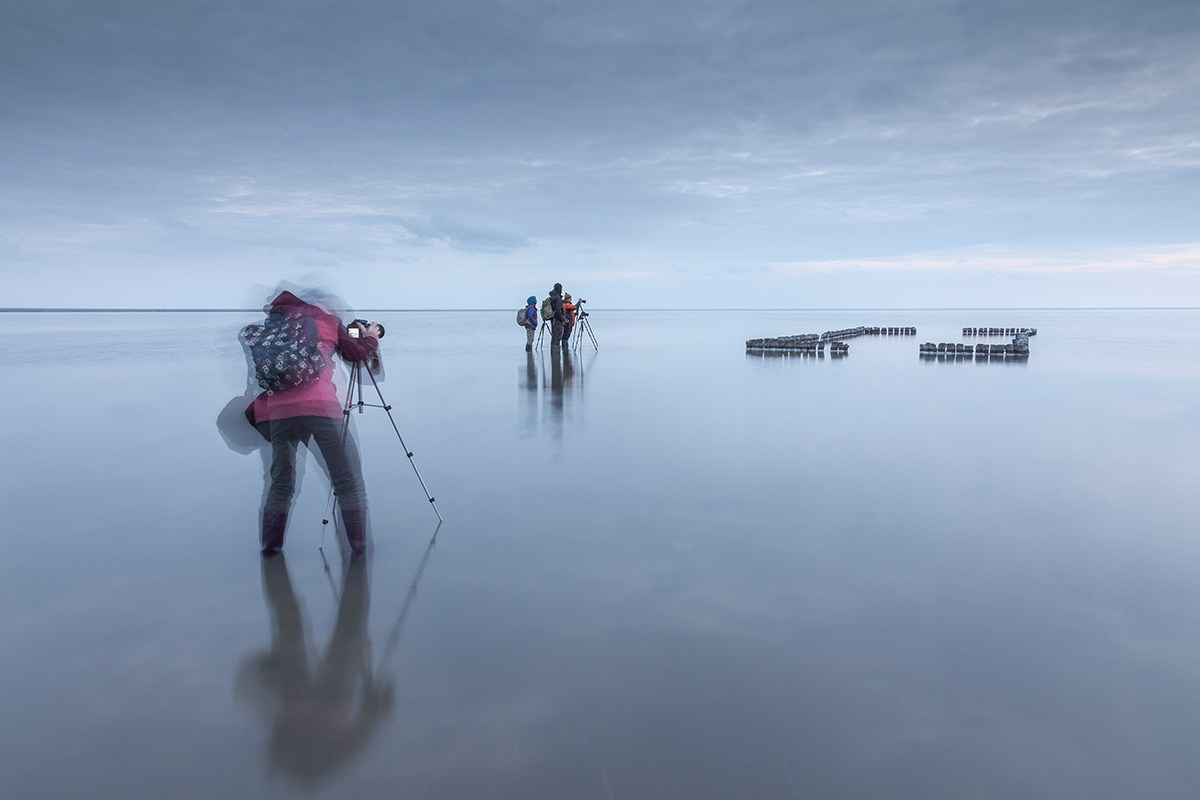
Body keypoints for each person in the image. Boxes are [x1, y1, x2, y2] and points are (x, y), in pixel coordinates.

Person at [246, 289, 380, 558]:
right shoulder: (326, 320)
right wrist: (370, 338)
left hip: (278, 413)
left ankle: (270, 554)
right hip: (321, 410)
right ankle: (359, 555)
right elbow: (356, 356)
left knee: (280, 485)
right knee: (348, 484)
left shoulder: (275, 326)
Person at [548, 283, 565, 348]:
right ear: (559, 289)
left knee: (554, 336)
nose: (561, 290)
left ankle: (553, 352)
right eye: (561, 289)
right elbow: (558, 310)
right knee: (558, 336)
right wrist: (562, 318)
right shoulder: (557, 298)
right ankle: (556, 352)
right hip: (557, 320)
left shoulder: (553, 297)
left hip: (553, 319)